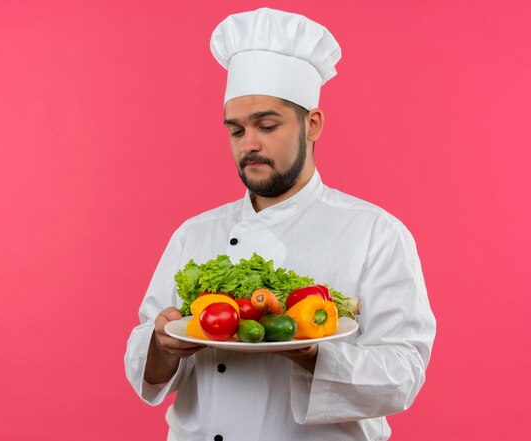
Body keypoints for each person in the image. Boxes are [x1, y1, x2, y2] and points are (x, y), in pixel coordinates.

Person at [125, 7, 436, 441]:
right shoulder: (194, 235)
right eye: (236, 131)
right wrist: (163, 344)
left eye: (267, 125)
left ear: (312, 124)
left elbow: (403, 375)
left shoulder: (376, 234)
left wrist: (313, 354)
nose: (249, 145)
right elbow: (146, 365)